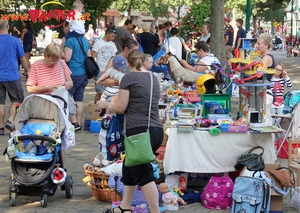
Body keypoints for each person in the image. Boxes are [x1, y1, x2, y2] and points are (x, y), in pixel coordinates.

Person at [97, 49, 163, 213]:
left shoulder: (129, 78)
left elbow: (121, 107)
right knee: (129, 167)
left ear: (128, 63)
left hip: (138, 132)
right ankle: (124, 207)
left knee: (143, 174)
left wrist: (106, 105)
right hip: (155, 130)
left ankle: (155, 211)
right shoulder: (152, 77)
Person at [0, 20, 30, 135]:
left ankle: (0, 127)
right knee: (17, 99)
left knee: (0, 102)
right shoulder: (14, 40)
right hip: (12, 76)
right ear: (7, 27)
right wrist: (28, 70)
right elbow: (22, 58)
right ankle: (10, 120)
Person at [63, 21, 90, 132]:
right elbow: (89, 56)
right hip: (84, 73)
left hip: (73, 73)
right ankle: (78, 123)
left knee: (67, 96)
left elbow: (67, 58)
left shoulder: (70, 41)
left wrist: (60, 50)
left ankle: (73, 123)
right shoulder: (86, 41)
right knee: (79, 98)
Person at [92, 26, 117, 103]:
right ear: (107, 34)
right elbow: (92, 58)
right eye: (112, 36)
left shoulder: (113, 44)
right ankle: (95, 109)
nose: (113, 38)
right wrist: (93, 72)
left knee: (108, 92)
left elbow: (114, 57)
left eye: (114, 37)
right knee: (100, 92)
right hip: (100, 70)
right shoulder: (98, 43)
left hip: (110, 71)